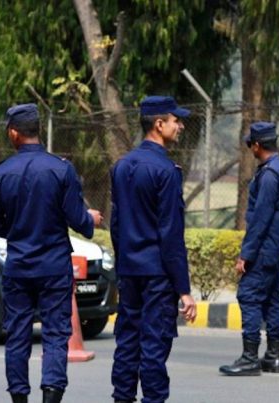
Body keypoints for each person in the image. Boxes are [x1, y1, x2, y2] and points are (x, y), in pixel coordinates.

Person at [0, 103, 102, 403]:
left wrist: (20, 231)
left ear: (14, 133)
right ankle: (51, 397)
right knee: (55, 336)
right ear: (36, 131)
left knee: (18, 336)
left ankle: (19, 398)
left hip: (19, 268)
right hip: (54, 268)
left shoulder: (1, 173)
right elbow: (79, 221)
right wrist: (92, 219)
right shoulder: (61, 169)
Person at [110, 95, 197, 403]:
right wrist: (183, 289)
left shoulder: (121, 166)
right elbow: (171, 235)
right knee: (154, 348)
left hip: (130, 271)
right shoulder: (166, 171)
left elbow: (116, 224)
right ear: (159, 125)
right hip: (157, 274)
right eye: (176, 120)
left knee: (128, 342)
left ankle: (122, 398)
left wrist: (124, 264)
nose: (181, 125)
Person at [219, 122, 279, 377]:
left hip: (264, 248)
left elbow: (260, 218)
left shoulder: (270, 174)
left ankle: (250, 357)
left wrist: (246, 254)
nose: (249, 148)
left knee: (249, 296)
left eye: (251, 144)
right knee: (273, 298)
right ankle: (273, 356)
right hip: (277, 247)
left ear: (258, 145)